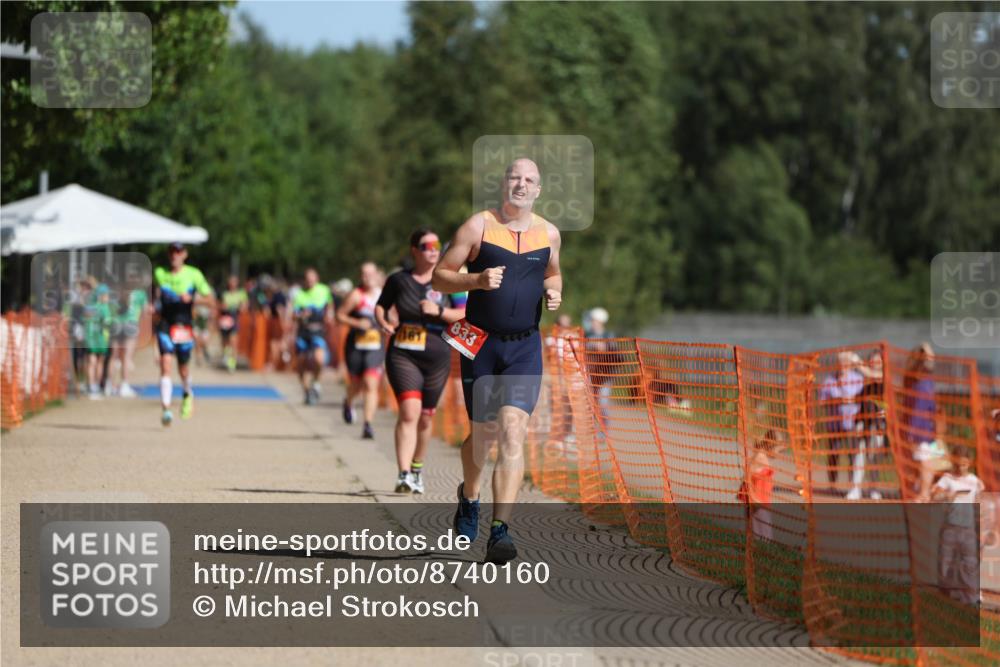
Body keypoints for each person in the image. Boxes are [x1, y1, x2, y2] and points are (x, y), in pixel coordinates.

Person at [433, 157, 562, 564]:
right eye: (514, 177)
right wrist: (474, 280)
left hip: (524, 348)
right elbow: (439, 276)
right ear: (503, 184)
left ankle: (500, 531)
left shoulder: (550, 234)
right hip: (483, 346)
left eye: (529, 180)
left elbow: (552, 273)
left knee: (512, 431)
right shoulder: (478, 226)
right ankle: (469, 497)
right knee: (483, 436)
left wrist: (555, 292)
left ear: (538, 190)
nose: (521, 185)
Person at [376, 230, 465, 494]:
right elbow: (381, 305)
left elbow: (465, 314)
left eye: (437, 245)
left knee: (427, 417)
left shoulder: (450, 281)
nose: (433, 250)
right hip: (403, 353)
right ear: (414, 250)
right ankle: (403, 474)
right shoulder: (398, 280)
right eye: (427, 246)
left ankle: (416, 468)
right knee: (409, 412)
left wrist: (439, 311)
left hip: (437, 356)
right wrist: (383, 322)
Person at [153, 243, 214, 425]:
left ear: (185, 254)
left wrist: (194, 298)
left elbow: (210, 300)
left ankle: (187, 393)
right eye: (172, 251)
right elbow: (156, 297)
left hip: (184, 327)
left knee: (183, 369)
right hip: (165, 324)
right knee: (165, 364)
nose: (175, 255)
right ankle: (166, 409)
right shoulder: (160, 273)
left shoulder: (194, 274)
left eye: (178, 251)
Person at [931, 445, 984, 605]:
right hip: (950, 528)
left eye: (965, 464)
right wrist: (947, 495)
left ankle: (972, 598)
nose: (962, 468)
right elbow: (934, 495)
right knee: (945, 564)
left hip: (968, 529)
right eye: (959, 464)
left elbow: (980, 500)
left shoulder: (974, 481)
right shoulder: (947, 479)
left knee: (969, 565)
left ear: (969, 463)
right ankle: (944, 596)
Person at [337, 262, 385, 439]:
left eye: (371, 274)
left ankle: (368, 424)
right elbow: (340, 315)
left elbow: (393, 314)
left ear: (377, 274)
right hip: (356, 346)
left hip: (376, 346)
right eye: (364, 274)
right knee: (356, 385)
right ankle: (348, 401)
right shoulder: (356, 296)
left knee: (371, 383)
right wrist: (357, 323)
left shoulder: (384, 293)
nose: (368, 278)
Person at [902, 343, 949, 501]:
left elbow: (919, 410)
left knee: (925, 462)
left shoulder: (924, 382)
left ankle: (924, 493)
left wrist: (911, 432)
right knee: (923, 462)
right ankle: (923, 492)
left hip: (924, 430)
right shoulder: (918, 381)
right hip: (924, 429)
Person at [293, 268, 333, 405]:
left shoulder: (324, 290)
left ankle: (315, 383)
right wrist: (300, 315)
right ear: (304, 280)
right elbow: (293, 314)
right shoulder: (299, 294)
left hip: (317, 330)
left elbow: (330, 305)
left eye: (312, 278)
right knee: (301, 363)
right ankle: (306, 391)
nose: (310, 281)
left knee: (319, 359)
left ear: (317, 279)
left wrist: (329, 315)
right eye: (307, 279)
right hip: (303, 332)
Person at [110, 281, 150, 398]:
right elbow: (145, 311)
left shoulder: (117, 291)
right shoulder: (140, 294)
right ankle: (125, 386)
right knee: (127, 357)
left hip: (116, 323)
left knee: (114, 356)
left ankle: (110, 386)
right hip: (131, 323)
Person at [84, 283, 113, 400]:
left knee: (93, 362)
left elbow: (85, 318)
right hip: (99, 339)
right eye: (106, 295)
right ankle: (94, 385)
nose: (108, 298)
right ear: (101, 296)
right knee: (96, 362)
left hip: (93, 338)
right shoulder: (104, 308)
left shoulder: (90, 306)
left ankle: (93, 385)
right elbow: (108, 323)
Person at [218, 275, 248, 372]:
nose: (232, 284)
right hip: (225, 318)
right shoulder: (224, 293)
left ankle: (232, 363)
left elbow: (244, 306)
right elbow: (220, 305)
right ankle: (226, 354)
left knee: (233, 341)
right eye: (231, 282)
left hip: (235, 318)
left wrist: (239, 307)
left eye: (234, 282)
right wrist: (224, 307)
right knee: (225, 341)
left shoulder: (241, 293)